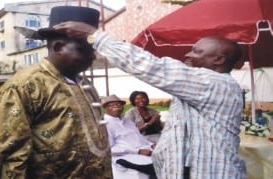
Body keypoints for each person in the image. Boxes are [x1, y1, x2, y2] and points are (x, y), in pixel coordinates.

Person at [53, 21, 247, 178]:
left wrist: (95, 36)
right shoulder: (205, 86)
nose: (188, 54)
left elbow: (151, 67)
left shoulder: (213, 83)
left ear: (219, 60)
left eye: (197, 51)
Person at [0, 6, 112, 179]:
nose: (94, 56)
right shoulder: (24, 85)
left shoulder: (85, 83)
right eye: (86, 49)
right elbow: (10, 156)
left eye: (95, 50)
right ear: (58, 47)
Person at [101, 94, 156, 177]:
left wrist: (151, 144)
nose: (116, 106)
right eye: (111, 105)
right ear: (105, 108)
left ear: (123, 107)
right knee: (155, 166)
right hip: (126, 155)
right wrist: (138, 151)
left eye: (119, 104)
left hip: (144, 151)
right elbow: (109, 149)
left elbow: (139, 137)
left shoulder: (127, 121)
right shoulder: (105, 124)